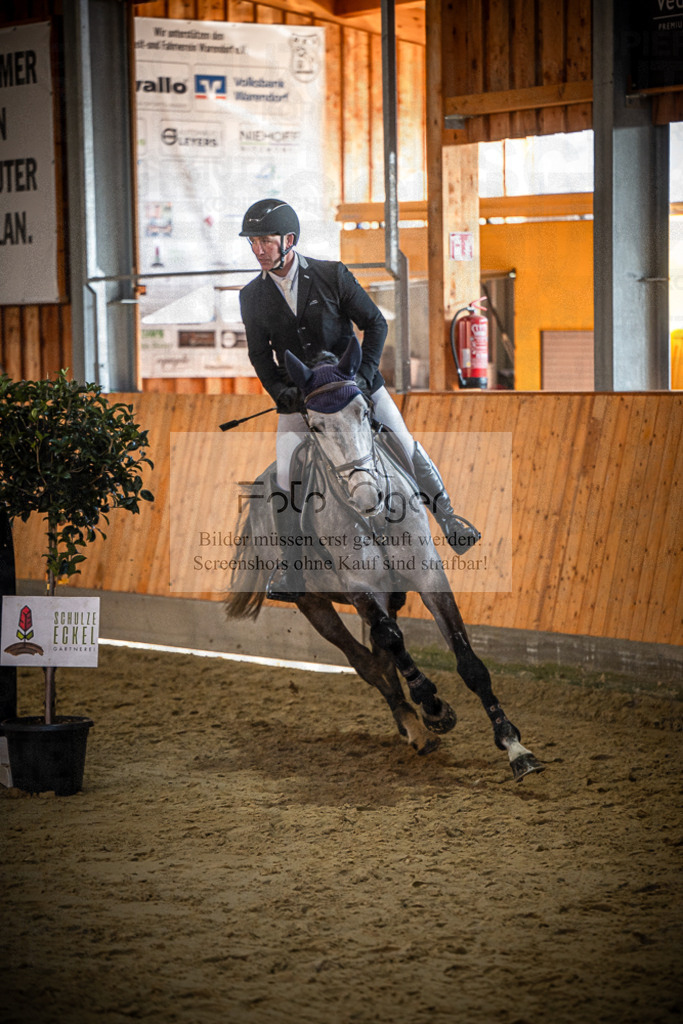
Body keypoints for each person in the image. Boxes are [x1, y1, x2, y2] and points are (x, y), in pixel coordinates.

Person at [238, 198, 479, 599]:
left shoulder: (332, 276)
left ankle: (450, 519)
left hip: (354, 388)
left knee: (402, 441)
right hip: (302, 400)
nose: (258, 249)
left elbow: (375, 323)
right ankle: (292, 570)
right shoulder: (252, 296)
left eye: (265, 240)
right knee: (284, 475)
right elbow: (260, 354)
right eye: (253, 242)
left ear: (289, 240)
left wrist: (365, 376)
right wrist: (282, 391)